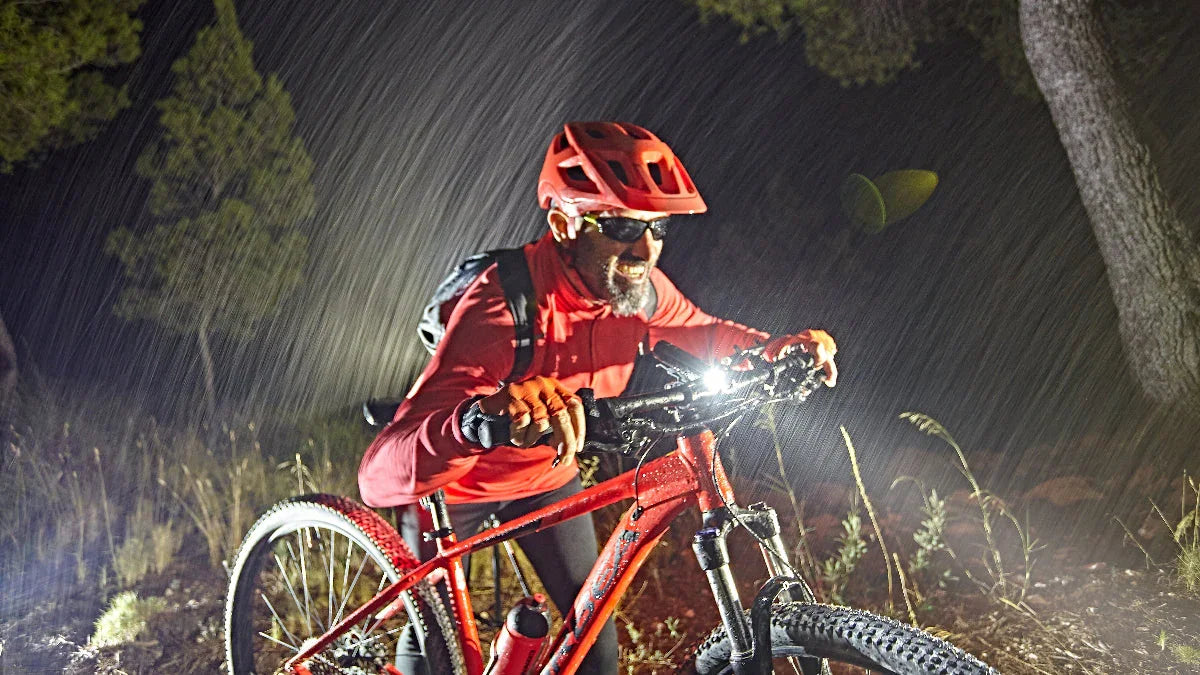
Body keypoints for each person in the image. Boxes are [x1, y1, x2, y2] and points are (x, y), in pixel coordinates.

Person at [358, 121, 837, 674]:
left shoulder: (635, 292)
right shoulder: (501, 307)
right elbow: (377, 477)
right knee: (435, 649)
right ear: (564, 225)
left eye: (657, 227)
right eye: (621, 225)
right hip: (458, 490)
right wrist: (476, 420)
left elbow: (701, 332)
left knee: (592, 650)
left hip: (547, 478)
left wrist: (774, 349)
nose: (646, 249)